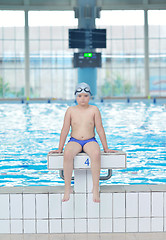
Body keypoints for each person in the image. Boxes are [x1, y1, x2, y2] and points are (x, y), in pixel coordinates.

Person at [49, 82, 117, 202]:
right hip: (74, 140)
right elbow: (65, 130)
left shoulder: (94, 110)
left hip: (90, 140)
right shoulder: (70, 110)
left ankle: (95, 188)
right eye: (79, 96)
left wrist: (106, 148)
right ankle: (67, 188)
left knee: (96, 154)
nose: (82, 98)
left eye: (85, 96)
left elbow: (100, 129)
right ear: (75, 97)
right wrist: (60, 148)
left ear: (90, 96)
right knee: (67, 154)